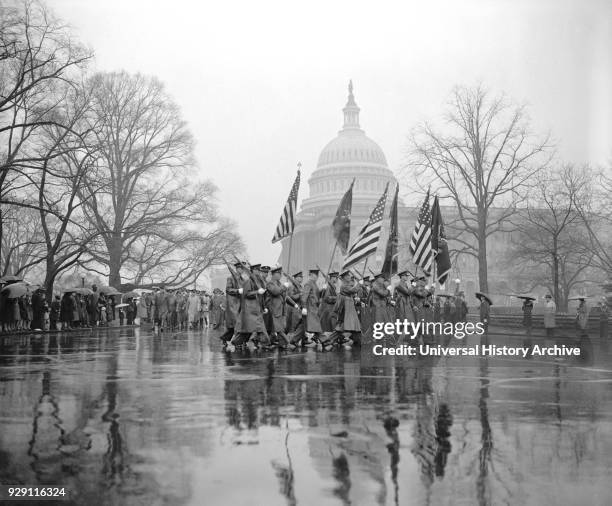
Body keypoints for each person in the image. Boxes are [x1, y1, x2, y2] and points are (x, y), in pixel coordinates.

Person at [289, 268, 322, 348]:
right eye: (315, 275)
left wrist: (322, 291)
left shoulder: (313, 284)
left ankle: (293, 341)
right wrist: (304, 307)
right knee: (315, 326)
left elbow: (315, 296)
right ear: (311, 275)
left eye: (301, 277)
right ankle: (326, 341)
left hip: (311, 308)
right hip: (304, 308)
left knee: (303, 326)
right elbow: (302, 297)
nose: (316, 277)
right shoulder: (308, 284)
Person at [330, 270, 362, 348]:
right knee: (345, 326)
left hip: (349, 307)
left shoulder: (346, 284)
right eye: (347, 276)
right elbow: (353, 290)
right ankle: (329, 340)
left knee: (352, 325)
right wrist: (359, 284)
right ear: (343, 278)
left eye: (349, 276)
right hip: (346, 308)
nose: (349, 277)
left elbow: (352, 288)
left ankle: (359, 340)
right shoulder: (344, 286)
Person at [266, 266, 290, 347]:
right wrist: (284, 287)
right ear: (273, 274)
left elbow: (283, 296)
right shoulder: (270, 283)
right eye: (278, 273)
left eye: (280, 273)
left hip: (280, 308)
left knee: (277, 328)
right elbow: (275, 292)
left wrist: (285, 288)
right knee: (278, 328)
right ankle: (287, 343)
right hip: (273, 308)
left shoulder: (279, 283)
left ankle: (274, 343)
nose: (280, 275)